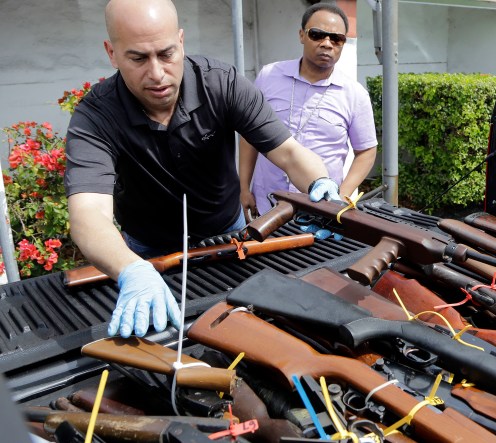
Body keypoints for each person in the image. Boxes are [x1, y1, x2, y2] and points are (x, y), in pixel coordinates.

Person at [64, 0, 340, 338]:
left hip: (229, 234)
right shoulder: (96, 117)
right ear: (111, 52)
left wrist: (320, 183)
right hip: (148, 253)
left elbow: (287, 151)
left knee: (245, 328)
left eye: (166, 54)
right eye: (138, 58)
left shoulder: (221, 84)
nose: (156, 73)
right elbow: (88, 213)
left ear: (181, 41)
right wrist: (131, 270)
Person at [239, 3, 377, 219]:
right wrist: (244, 187)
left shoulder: (354, 94)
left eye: (336, 39)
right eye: (317, 35)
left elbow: (366, 150)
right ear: (302, 35)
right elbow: (250, 134)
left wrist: (341, 196)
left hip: (321, 211)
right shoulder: (269, 76)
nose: (327, 44)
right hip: (267, 204)